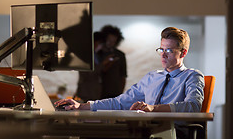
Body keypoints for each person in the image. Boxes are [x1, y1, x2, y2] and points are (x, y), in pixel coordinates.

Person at [55, 27, 204, 139]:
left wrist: (153, 108)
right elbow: (120, 102)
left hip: (173, 133)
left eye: (169, 51)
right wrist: (81, 106)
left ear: (183, 53)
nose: (163, 55)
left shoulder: (192, 76)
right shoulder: (152, 77)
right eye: (161, 49)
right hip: (146, 132)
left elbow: (193, 106)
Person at [98, 25, 127, 99]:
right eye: (109, 40)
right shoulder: (97, 53)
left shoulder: (120, 55)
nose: (111, 43)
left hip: (115, 92)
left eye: (113, 41)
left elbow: (123, 75)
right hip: (99, 92)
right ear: (104, 39)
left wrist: (121, 93)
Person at [75, 32, 106, 102]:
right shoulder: (85, 55)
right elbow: (88, 73)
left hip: (95, 91)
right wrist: (104, 63)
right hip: (87, 91)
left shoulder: (96, 55)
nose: (100, 46)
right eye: (99, 43)